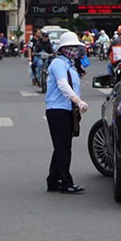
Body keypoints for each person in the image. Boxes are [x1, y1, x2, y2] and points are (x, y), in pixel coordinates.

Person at [44, 31, 88, 194]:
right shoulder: (57, 64)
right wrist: (78, 100)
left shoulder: (70, 64)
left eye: (75, 47)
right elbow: (63, 85)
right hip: (57, 110)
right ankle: (66, 182)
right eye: (71, 47)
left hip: (68, 110)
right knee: (63, 148)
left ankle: (53, 180)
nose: (74, 50)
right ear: (63, 49)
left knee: (61, 146)